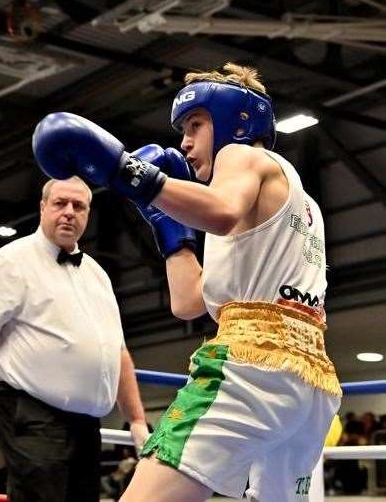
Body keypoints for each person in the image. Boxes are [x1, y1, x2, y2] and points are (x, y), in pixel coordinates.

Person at [32, 63, 341, 502]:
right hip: (310, 387)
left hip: (250, 369)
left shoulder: (242, 157)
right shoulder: (303, 205)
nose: (185, 141)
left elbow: (221, 209)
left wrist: (129, 174)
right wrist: (170, 231)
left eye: (196, 124)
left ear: (236, 120)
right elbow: (190, 302)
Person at [0, 176, 149, 502]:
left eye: (79, 206)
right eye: (60, 203)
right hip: (32, 413)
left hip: (87, 423)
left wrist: (138, 420)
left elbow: (117, 351)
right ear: (43, 207)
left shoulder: (97, 274)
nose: (69, 212)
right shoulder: (11, 261)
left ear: (88, 214)